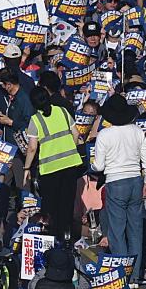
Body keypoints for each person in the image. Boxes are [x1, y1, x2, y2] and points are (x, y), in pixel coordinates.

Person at [92, 93, 146, 262]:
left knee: (117, 232)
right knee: (135, 231)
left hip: (116, 182)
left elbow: (99, 166)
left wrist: (92, 167)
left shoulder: (104, 134)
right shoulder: (137, 131)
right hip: (136, 181)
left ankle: (122, 271)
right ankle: (134, 273)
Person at [25, 72, 85, 241]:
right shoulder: (63, 111)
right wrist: (69, 148)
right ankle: (67, 239)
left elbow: (32, 148)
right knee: (67, 203)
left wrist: (27, 167)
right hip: (70, 165)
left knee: (51, 206)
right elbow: (76, 134)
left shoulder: (35, 120)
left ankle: (54, 238)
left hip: (50, 169)